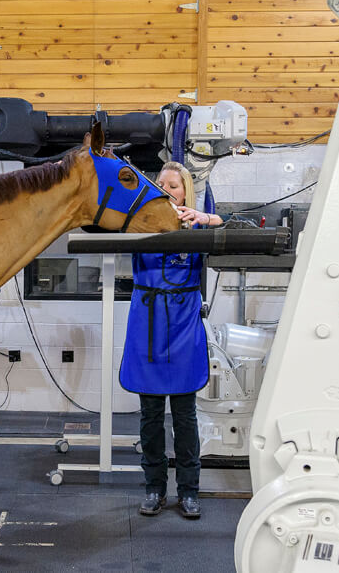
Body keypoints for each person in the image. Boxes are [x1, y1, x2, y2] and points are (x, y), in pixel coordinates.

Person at [121, 162, 220, 520]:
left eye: (173, 185)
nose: (166, 188)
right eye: (160, 183)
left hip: (182, 328)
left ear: (185, 192)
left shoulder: (197, 224)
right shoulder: (138, 221)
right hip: (147, 326)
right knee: (149, 416)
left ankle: (189, 491)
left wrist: (205, 218)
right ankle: (154, 488)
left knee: (184, 416)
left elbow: (226, 226)